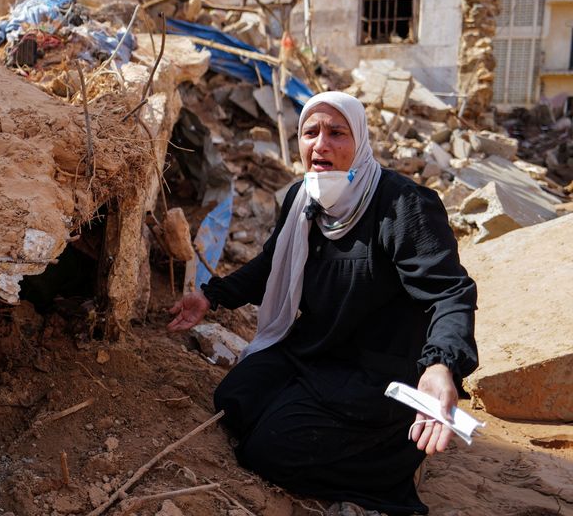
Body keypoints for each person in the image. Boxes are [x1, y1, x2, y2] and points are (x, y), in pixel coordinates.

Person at [167, 92, 477, 515]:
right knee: (234, 402)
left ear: (361, 140)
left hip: (378, 369)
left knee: (267, 451)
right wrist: (211, 297)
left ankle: (392, 464)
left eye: (337, 133)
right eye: (310, 133)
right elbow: (271, 264)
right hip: (315, 350)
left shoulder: (402, 205)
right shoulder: (303, 199)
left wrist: (442, 365)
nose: (321, 144)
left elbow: (449, 291)